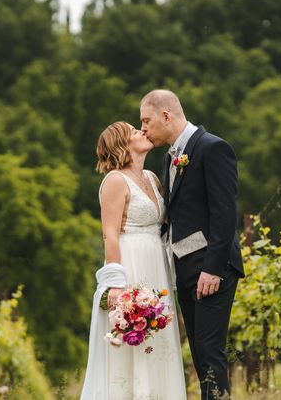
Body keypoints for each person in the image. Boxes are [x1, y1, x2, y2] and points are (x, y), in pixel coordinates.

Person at [139, 90, 244, 400]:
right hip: (186, 271)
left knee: (211, 352)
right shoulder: (169, 156)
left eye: (147, 120)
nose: (144, 128)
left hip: (213, 271)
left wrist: (212, 269)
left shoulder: (213, 148)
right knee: (199, 353)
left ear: (166, 116)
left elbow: (224, 214)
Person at [80, 122, 187, 400]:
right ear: (121, 144)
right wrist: (115, 284)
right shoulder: (115, 180)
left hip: (156, 263)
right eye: (133, 131)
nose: (141, 131)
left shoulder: (152, 178)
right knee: (132, 346)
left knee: (157, 342)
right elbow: (110, 234)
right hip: (130, 265)